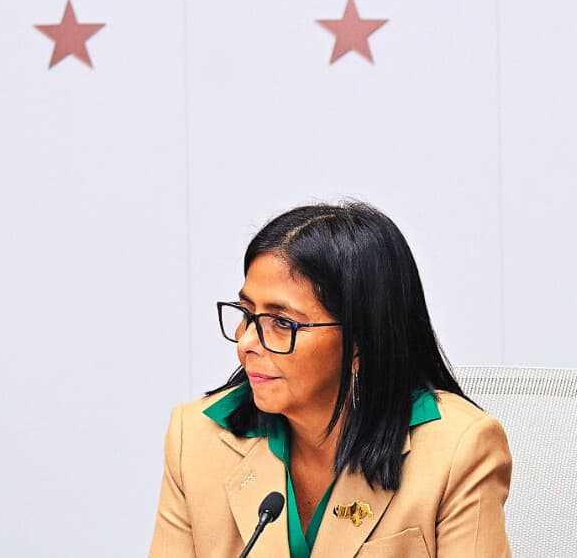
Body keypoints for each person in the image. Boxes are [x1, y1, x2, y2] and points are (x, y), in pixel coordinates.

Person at [149, 202, 512, 557]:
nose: (246, 343)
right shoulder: (195, 438)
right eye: (247, 313)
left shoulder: (457, 450)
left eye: (282, 323)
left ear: (360, 342)